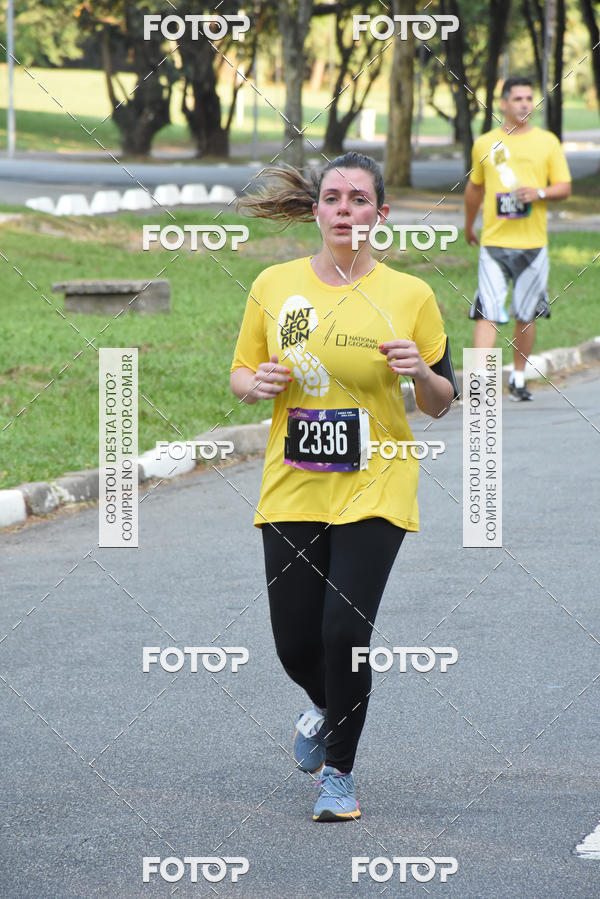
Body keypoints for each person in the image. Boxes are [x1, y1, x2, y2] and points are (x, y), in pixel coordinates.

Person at [230, 153, 457, 822]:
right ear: (318, 210)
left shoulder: (409, 295)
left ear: (379, 215)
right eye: (334, 197)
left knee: (344, 629)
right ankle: (329, 705)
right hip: (294, 485)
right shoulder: (274, 285)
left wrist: (421, 372)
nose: (345, 209)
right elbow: (241, 374)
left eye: (360, 199)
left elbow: (442, 400)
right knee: (295, 640)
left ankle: (339, 775)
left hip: (377, 483)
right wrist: (258, 384)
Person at [464, 76, 571, 400]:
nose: (525, 104)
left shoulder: (548, 142)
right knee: (488, 312)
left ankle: (519, 377)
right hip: (494, 243)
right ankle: (481, 380)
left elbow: (563, 188)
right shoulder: (485, 144)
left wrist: (537, 192)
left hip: (533, 245)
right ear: (504, 103)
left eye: (529, 98)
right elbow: (475, 189)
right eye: (518, 99)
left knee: (526, 315)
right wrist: (469, 225)